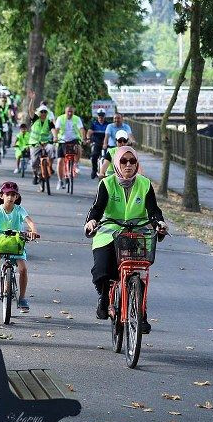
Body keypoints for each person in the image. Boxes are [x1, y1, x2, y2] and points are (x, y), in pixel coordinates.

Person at [84, 146, 167, 328]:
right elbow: (97, 208)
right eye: (123, 161)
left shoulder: (145, 184)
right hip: (109, 232)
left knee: (140, 273)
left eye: (132, 161)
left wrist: (159, 224)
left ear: (137, 164)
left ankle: (141, 314)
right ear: (117, 163)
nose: (128, 165)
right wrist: (91, 221)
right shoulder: (107, 183)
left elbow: (154, 211)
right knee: (102, 269)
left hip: (137, 233)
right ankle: (105, 297)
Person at [0, 182, 40, 313]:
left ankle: (22, 298)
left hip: (16, 243)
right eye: (7, 194)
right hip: (1, 242)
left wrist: (33, 231)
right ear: (1, 196)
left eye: (13, 194)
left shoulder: (19, 210)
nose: (10, 197)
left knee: (23, 269)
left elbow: (30, 222)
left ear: (17, 197)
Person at [53, 105, 85, 189]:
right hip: (62, 141)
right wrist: (55, 137)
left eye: (71, 112)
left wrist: (83, 138)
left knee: (78, 147)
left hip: (74, 140)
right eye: (68, 112)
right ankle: (60, 181)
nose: (70, 113)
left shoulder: (76, 119)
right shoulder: (60, 118)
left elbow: (81, 129)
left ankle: (76, 164)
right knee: (60, 161)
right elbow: (56, 129)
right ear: (65, 111)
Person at [29, 106, 55, 186]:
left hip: (46, 143)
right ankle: (35, 174)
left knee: (52, 149)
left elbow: (53, 130)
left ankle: (50, 166)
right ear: (39, 113)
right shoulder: (35, 119)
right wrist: (32, 99)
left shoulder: (49, 121)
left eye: (45, 112)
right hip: (35, 143)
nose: (43, 113)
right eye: (42, 112)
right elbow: (30, 109)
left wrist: (55, 137)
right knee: (34, 162)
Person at [88, 109, 109, 179]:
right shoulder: (94, 124)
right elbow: (89, 132)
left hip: (106, 143)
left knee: (108, 157)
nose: (101, 117)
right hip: (97, 143)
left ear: (104, 116)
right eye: (99, 115)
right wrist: (88, 137)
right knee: (94, 156)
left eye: (102, 115)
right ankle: (94, 170)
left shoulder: (108, 124)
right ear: (97, 116)